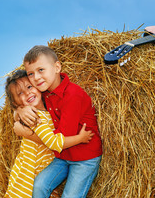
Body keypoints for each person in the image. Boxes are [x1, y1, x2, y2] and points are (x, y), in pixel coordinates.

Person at [16, 45, 103, 198]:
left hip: (84, 157)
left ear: (57, 67)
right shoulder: (45, 92)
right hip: (63, 157)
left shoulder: (72, 95)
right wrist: (19, 111)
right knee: (39, 186)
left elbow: (59, 139)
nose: (36, 78)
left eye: (41, 70)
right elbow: (24, 103)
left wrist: (27, 134)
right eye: (30, 73)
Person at [4, 69, 94, 198]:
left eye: (30, 87)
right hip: (30, 173)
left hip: (46, 167)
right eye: (20, 94)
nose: (28, 93)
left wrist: (19, 110)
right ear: (15, 102)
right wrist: (80, 138)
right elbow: (53, 143)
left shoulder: (49, 106)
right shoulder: (34, 117)